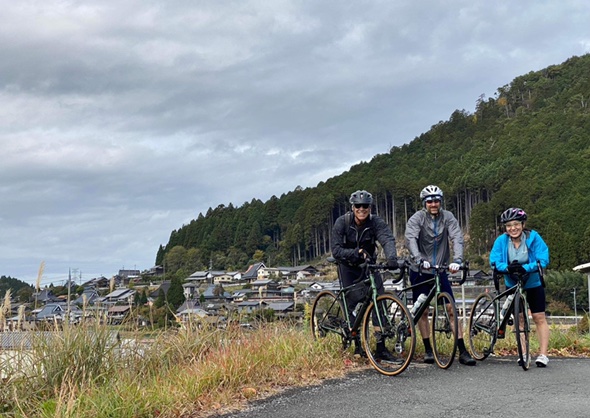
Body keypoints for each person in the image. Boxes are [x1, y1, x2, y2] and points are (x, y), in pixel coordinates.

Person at [404, 185, 476, 366]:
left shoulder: (448, 217)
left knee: (451, 309)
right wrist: (419, 258)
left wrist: (458, 260)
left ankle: (462, 350)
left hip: (440, 269)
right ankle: (428, 348)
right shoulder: (417, 218)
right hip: (420, 269)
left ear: (440, 202)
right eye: (430, 201)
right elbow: (410, 239)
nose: (434, 204)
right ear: (424, 203)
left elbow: (457, 238)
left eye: (436, 201)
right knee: (423, 311)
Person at [331, 189, 399, 361]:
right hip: (348, 266)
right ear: (353, 207)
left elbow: (387, 238)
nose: (362, 209)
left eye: (365, 206)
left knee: (379, 302)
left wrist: (391, 258)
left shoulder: (375, 222)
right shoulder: (342, 222)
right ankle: (356, 344)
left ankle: (380, 349)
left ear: (370, 207)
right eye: (358, 206)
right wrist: (356, 252)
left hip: (369, 265)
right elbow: (336, 250)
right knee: (350, 304)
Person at [489, 207, 550, 367]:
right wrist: (506, 268)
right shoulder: (501, 241)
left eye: (516, 224)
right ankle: (523, 353)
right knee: (520, 319)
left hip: (533, 282)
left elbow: (542, 259)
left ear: (523, 224)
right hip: (513, 283)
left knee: (539, 317)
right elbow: (494, 261)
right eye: (509, 226)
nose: (513, 228)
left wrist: (527, 268)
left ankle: (543, 354)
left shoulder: (533, 237)